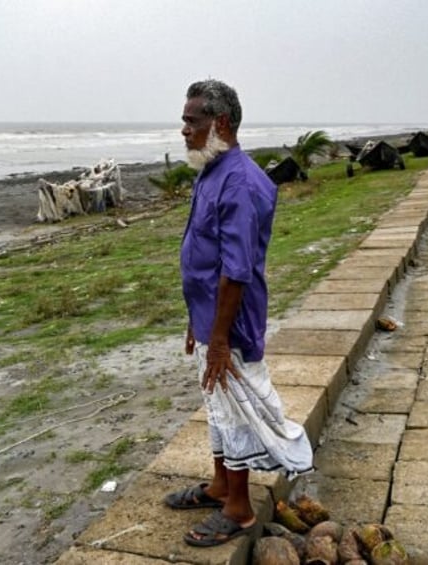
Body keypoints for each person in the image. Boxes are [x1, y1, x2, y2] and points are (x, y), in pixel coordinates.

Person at [165, 79, 313, 547]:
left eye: (192, 121)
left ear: (220, 123)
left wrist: (222, 339)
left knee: (237, 410)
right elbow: (206, 257)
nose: (183, 129)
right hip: (210, 318)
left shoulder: (242, 181)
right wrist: (197, 321)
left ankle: (239, 508)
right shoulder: (210, 169)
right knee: (218, 406)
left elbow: (236, 269)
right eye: (186, 121)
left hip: (234, 323)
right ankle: (218, 487)